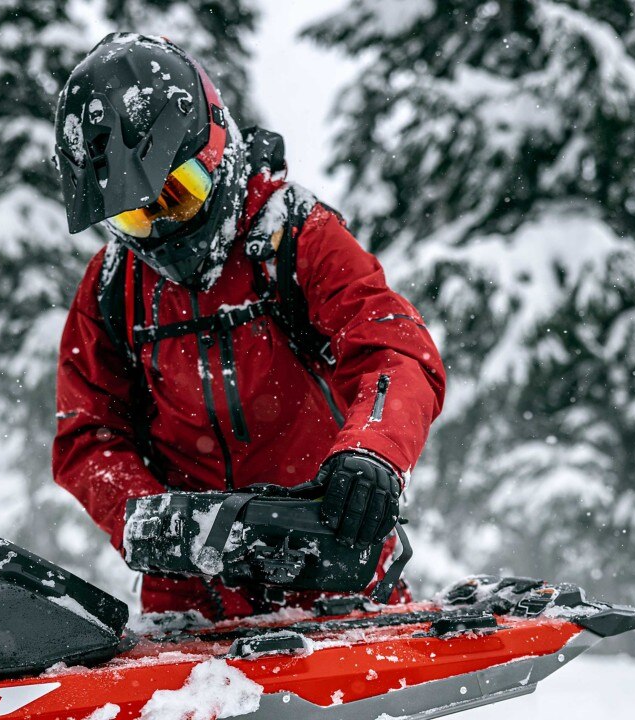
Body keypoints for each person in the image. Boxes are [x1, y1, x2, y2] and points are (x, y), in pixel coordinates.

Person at [51, 33, 445, 619]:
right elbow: (87, 434)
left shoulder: (295, 237)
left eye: (180, 196)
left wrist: (373, 451)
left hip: (334, 568)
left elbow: (396, 351)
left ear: (217, 151)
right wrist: (150, 517)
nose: (163, 230)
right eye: (137, 215)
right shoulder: (114, 285)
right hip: (189, 600)